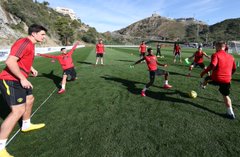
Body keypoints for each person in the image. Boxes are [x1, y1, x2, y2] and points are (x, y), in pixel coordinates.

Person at [0, 24, 47, 157]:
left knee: (30, 99)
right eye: (42, 34)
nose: (44, 37)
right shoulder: (24, 42)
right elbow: (10, 61)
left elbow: (22, 59)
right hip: (10, 80)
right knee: (18, 111)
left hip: (19, 79)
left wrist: (30, 68)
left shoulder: (31, 45)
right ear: (34, 34)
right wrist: (22, 78)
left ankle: (26, 125)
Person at [200, 41, 236, 119]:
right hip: (227, 80)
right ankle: (231, 113)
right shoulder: (231, 56)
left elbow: (212, 65)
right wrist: (229, 76)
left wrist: (204, 72)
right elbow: (234, 69)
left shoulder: (216, 55)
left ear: (219, 47)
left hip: (216, 78)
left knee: (206, 78)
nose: (215, 48)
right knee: (225, 95)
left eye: (215, 46)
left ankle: (203, 85)